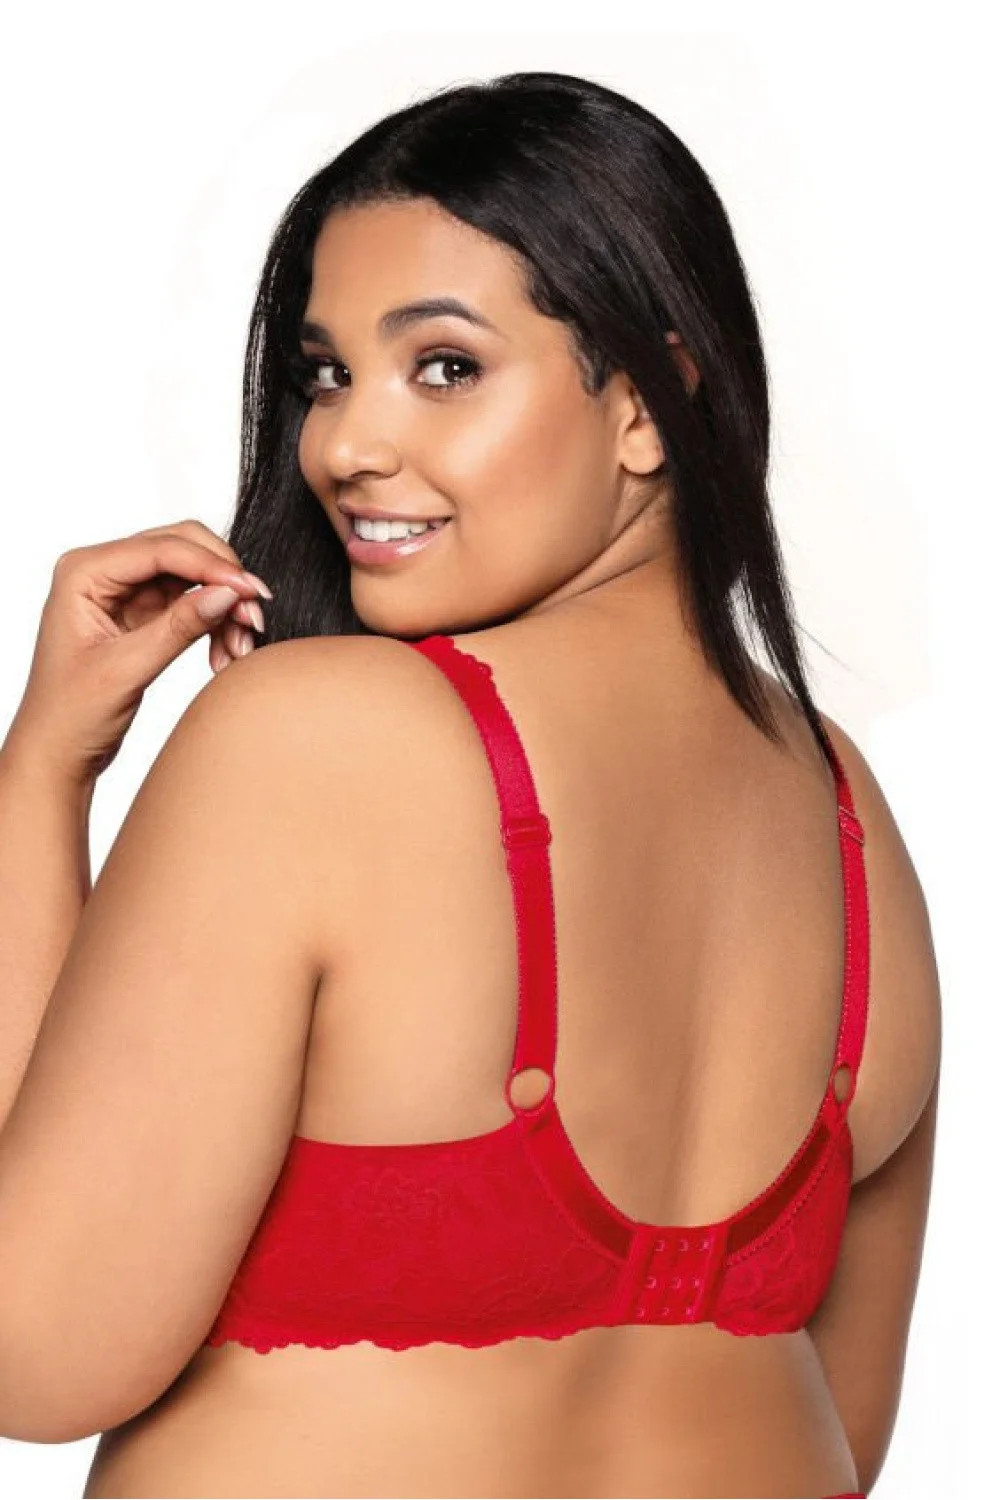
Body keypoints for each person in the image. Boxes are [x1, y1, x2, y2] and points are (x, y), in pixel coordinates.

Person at [0, 71, 940, 1499]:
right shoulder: (847, 815)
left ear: (651, 400)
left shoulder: (315, 742)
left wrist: (39, 776)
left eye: (444, 368)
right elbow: (842, 1436)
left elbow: (35, 1350)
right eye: (326, 374)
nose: (344, 446)